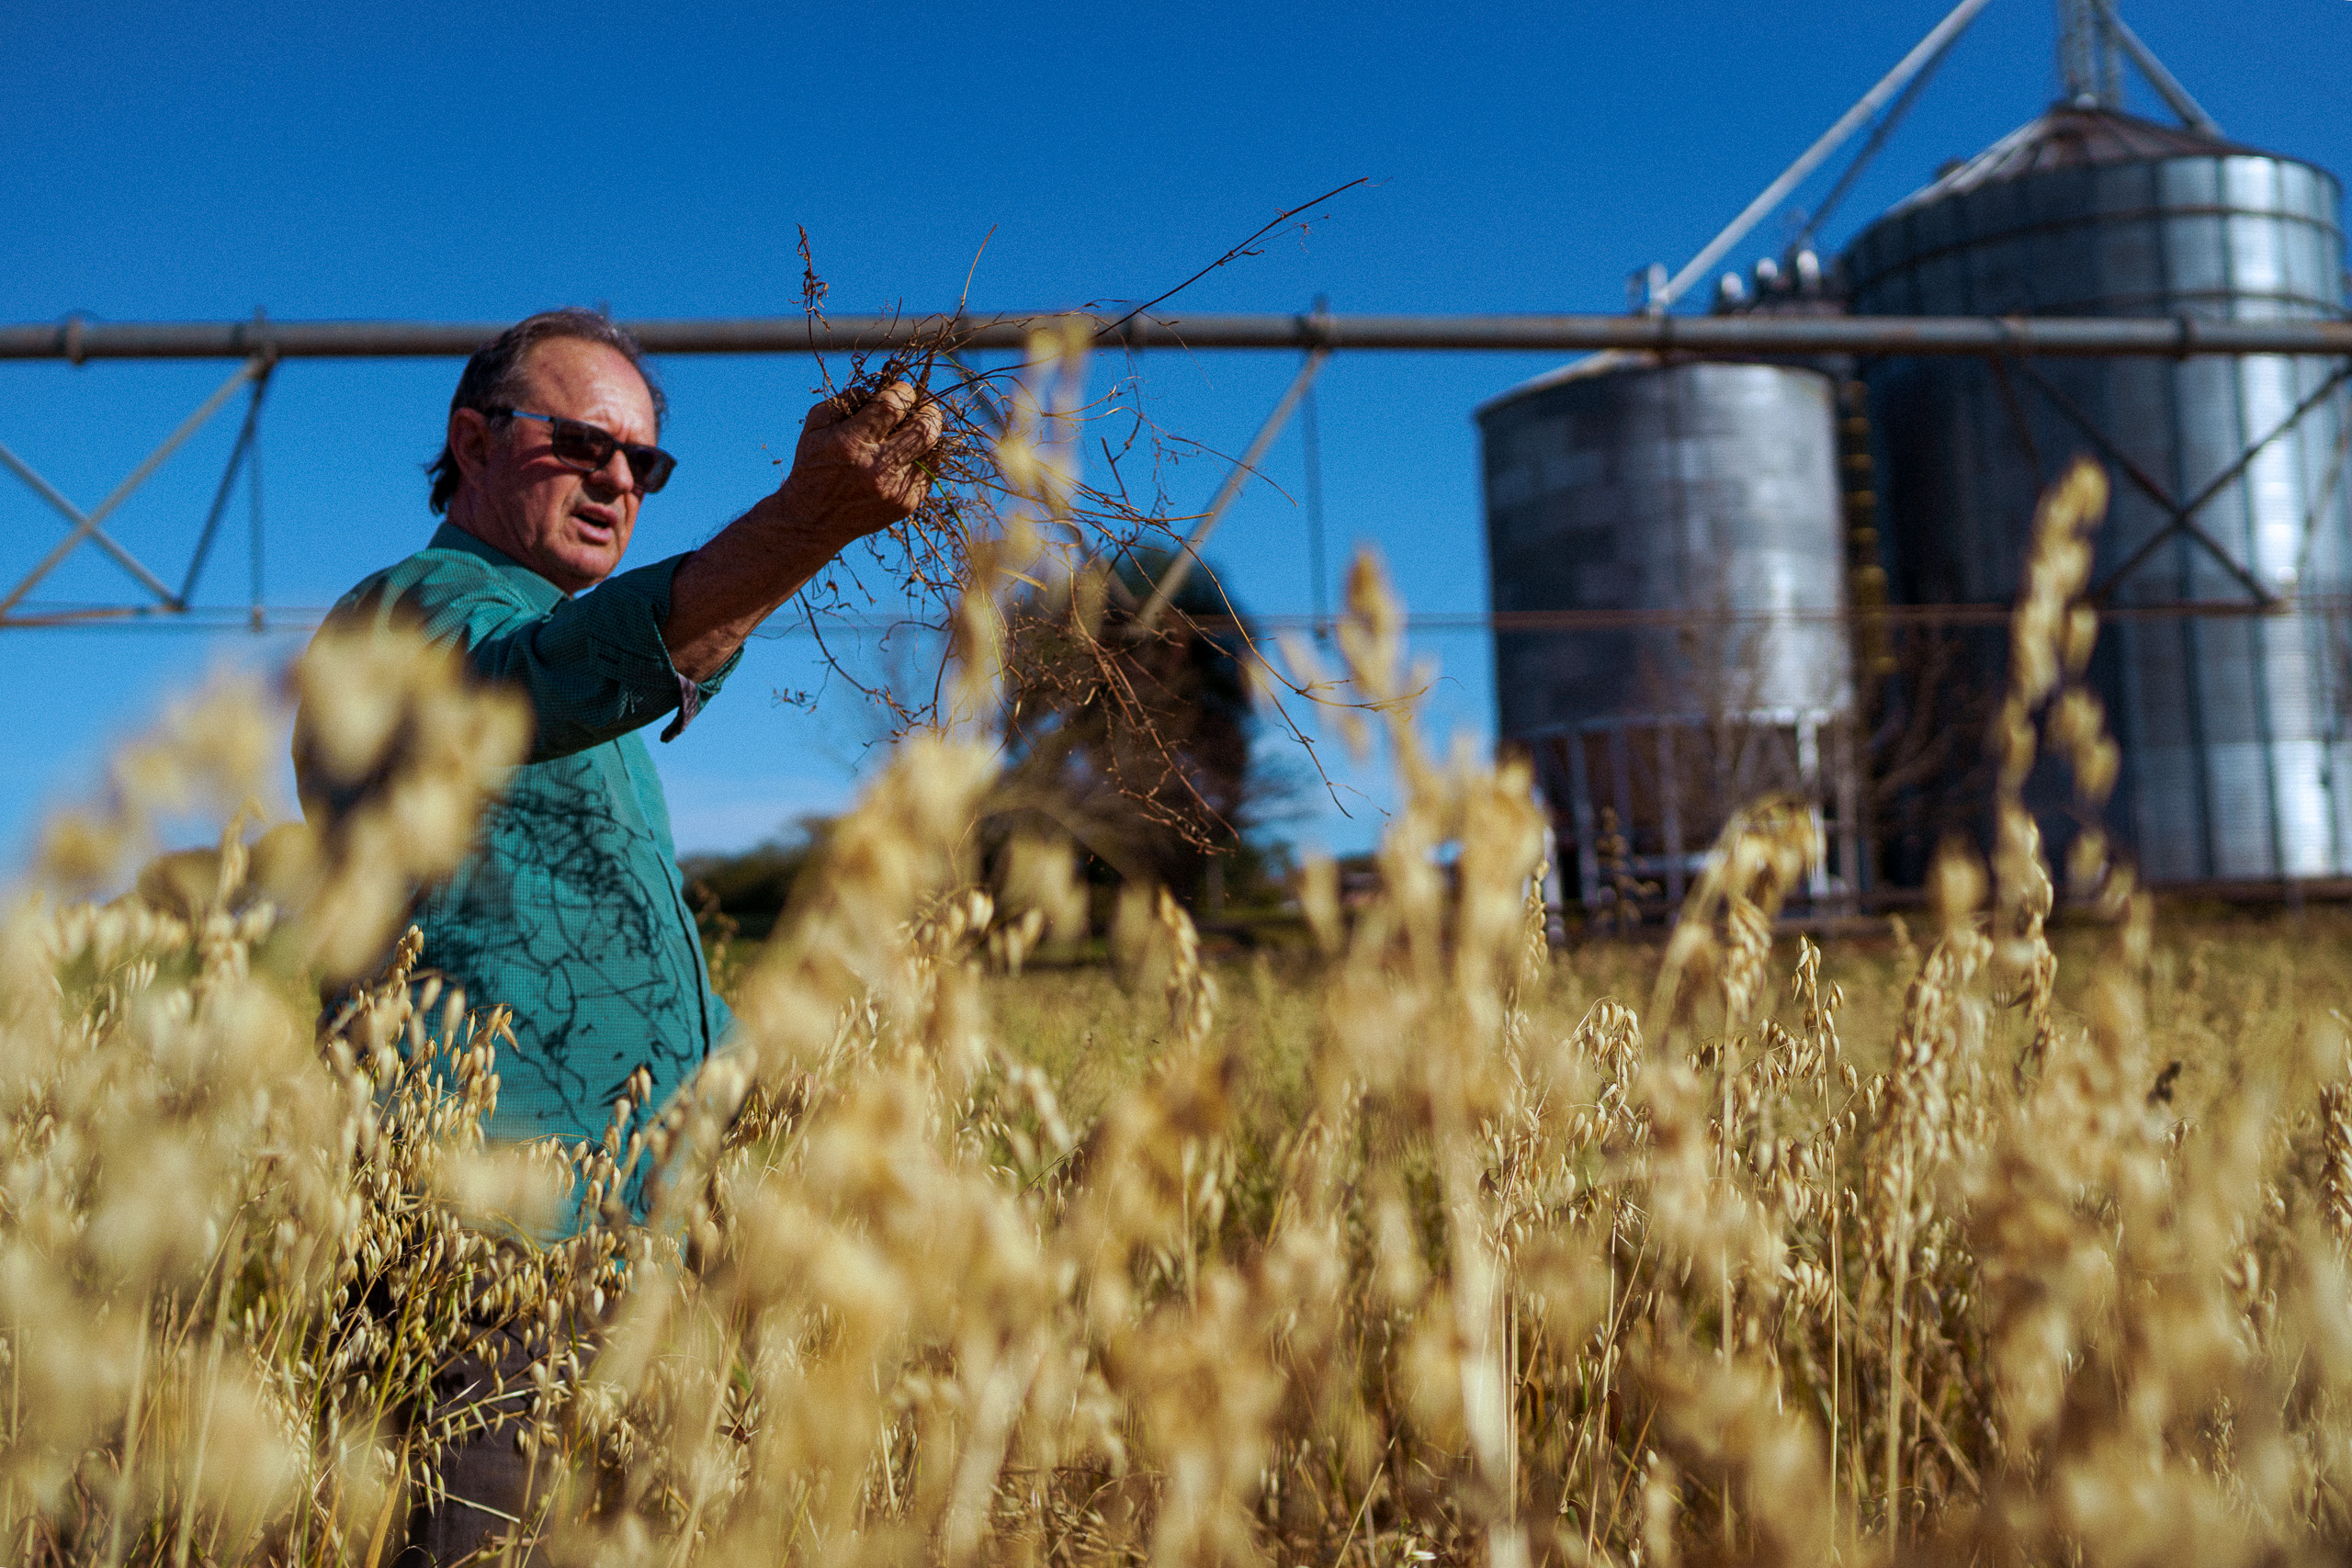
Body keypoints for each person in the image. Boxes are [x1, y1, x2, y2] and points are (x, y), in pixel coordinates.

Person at [298, 308, 942, 1564]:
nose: (618, 479)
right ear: (471, 441)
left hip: (630, 1232)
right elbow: (557, 675)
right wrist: (805, 520)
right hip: (490, 1238)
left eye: (644, 464)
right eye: (584, 444)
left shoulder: (565, 657)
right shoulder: (414, 612)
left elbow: (656, 657)